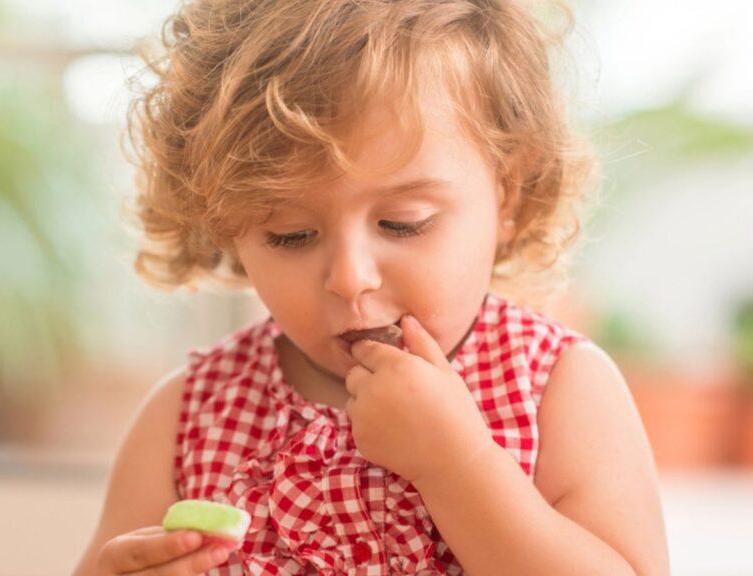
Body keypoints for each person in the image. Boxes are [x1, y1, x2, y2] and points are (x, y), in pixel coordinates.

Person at [74, 0, 669, 574]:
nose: (350, 277)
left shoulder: (557, 387)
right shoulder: (191, 415)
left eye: (402, 222)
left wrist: (456, 465)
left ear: (506, 193)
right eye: (290, 234)